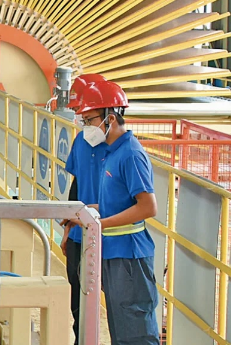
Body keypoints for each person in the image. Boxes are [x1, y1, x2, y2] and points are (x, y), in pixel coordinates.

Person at [75, 81, 160, 345]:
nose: (87, 127)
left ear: (110, 118)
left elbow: (148, 206)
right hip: (114, 253)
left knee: (135, 332)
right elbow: (115, 203)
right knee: (121, 331)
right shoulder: (111, 153)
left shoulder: (131, 154)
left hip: (130, 257)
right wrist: (83, 213)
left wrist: (100, 224)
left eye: (90, 120)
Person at [62, 74, 108, 344]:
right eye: (82, 118)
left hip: (109, 234)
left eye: (88, 117)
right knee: (77, 297)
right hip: (80, 233)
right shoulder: (81, 141)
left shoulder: (117, 147)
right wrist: (68, 230)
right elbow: (77, 184)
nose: (84, 122)